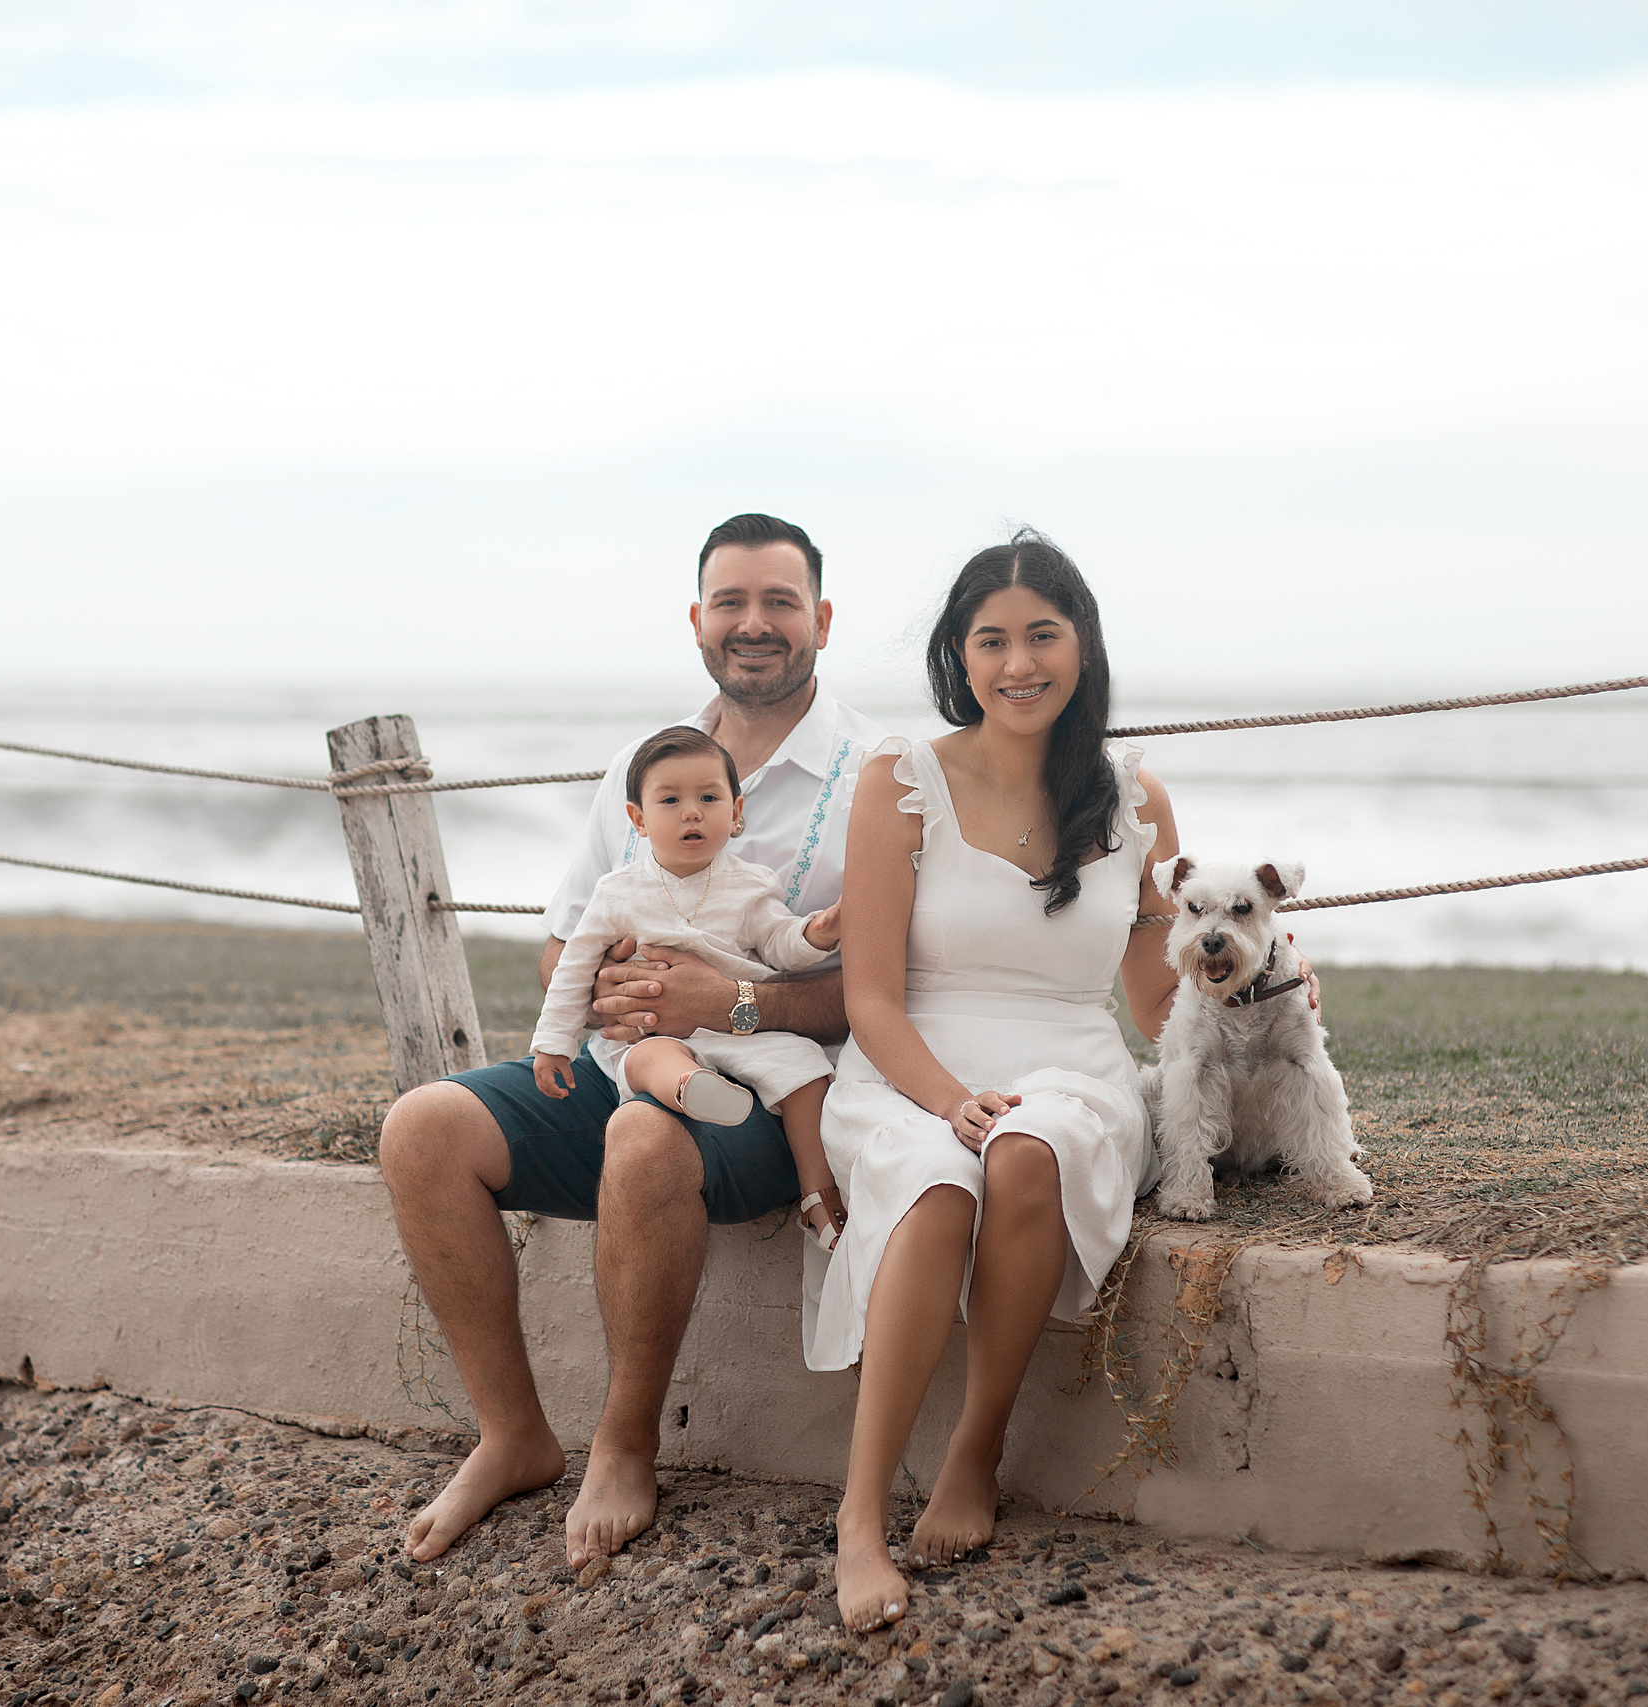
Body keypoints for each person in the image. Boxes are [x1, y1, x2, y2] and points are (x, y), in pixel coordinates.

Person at [377, 513, 886, 1566]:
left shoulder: (877, 772)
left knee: (649, 1138)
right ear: (697, 619)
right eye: (731, 602)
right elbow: (561, 943)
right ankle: (513, 1435)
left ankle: (622, 1441)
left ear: (823, 621)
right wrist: (616, 987)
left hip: (760, 1095)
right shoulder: (644, 764)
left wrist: (726, 1003)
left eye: (780, 601)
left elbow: (887, 991)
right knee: (423, 1128)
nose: (755, 624)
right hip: (621, 1062)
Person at [814, 530, 1190, 1632]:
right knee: (938, 1185)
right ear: (958, 656)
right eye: (992, 641)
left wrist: (1261, 990)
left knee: (1029, 1151)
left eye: (1042, 635)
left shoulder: (1135, 797)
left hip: (1071, 1063)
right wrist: (944, 1099)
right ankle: (858, 1517)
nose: (1018, 663)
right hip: (908, 1064)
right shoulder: (901, 780)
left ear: (1082, 648)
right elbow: (869, 997)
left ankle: (975, 1453)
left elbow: (1157, 998)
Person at [530, 725, 846, 1249]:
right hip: (653, 1037)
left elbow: (779, 944)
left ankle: (819, 1194)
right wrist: (552, 1043)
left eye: (708, 797)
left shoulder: (749, 884)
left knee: (809, 1071)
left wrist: (816, 933)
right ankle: (690, 1090)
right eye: (670, 800)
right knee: (656, 1056)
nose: (691, 812)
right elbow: (573, 969)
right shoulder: (617, 892)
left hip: (739, 1029)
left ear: (736, 811)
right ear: (638, 819)